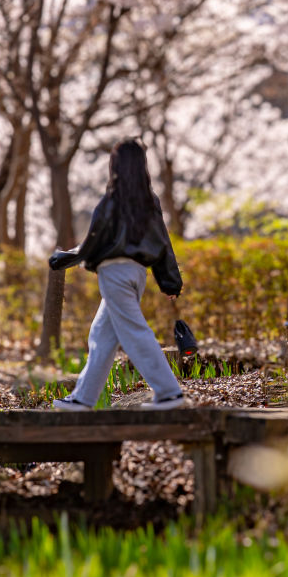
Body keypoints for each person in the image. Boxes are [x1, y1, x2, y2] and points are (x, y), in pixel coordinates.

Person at [49, 139, 185, 410]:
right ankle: (83, 398)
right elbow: (162, 242)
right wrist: (169, 280)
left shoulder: (112, 200)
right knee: (101, 334)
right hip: (137, 274)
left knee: (134, 332)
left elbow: (94, 240)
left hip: (114, 275)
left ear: (116, 165)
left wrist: (66, 259)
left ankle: (170, 393)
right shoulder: (150, 201)